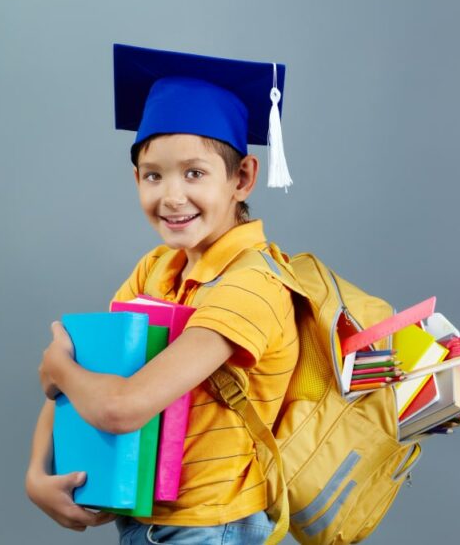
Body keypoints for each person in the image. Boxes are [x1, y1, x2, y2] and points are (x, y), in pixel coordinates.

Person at [26, 43, 298, 544]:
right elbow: (91, 376)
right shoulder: (157, 269)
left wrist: (57, 368)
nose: (171, 196)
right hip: (147, 523)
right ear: (135, 179)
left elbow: (118, 405)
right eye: (154, 176)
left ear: (242, 178)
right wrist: (36, 473)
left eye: (194, 173)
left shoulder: (252, 286)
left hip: (213, 529)